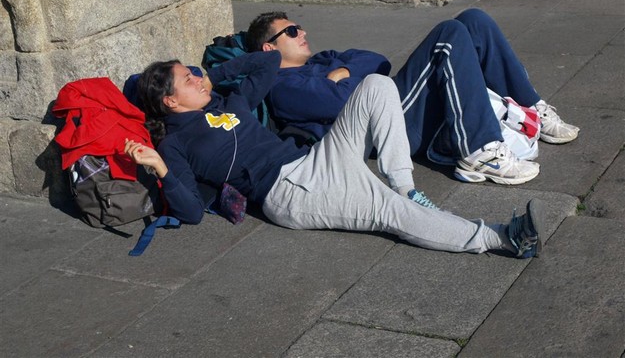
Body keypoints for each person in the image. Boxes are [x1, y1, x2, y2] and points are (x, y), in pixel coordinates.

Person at [124, 50, 546, 258]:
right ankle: (500, 239)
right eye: (187, 79)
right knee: (388, 213)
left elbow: (267, 64)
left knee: (378, 88)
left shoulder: (227, 105)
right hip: (290, 192)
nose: (197, 80)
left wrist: (210, 76)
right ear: (170, 103)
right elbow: (191, 211)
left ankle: (405, 185)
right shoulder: (174, 145)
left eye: (194, 73)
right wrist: (161, 170)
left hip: (317, 157)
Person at [246, 8, 580, 185]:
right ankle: (480, 151)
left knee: (472, 20)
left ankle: (531, 107)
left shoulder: (323, 59)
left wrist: (343, 73)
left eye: (299, 26)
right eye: (291, 31)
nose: (302, 32)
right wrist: (348, 77)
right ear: (269, 48)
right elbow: (340, 102)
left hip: (391, 100)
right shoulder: (282, 85)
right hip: (385, 131)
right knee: (447, 35)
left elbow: (376, 59)